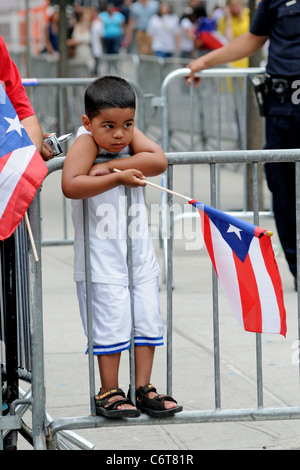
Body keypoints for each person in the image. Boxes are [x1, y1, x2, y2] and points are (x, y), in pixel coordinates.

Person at [61, 76, 183, 418]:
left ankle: (143, 388)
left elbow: (158, 161)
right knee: (111, 325)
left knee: (147, 321)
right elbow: (70, 184)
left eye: (127, 124)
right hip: (101, 259)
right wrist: (116, 176)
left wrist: (111, 167)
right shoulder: (85, 141)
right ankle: (108, 390)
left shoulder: (125, 139)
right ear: (88, 122)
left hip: (138, 255)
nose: (119, 134)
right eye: (109, 126)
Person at [186, 0, 300, 289]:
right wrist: (205, 61)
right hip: (283, 108)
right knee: (283, 189)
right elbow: (254, 38)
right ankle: (298, 268)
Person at [217, 0, 250, 67]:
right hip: (233, 54)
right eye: (232, 5)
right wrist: (228, 18)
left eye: (238, 4)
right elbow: (229, 39)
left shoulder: (248, 14)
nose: (235, 8)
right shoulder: (223, 20)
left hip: (248, 52)